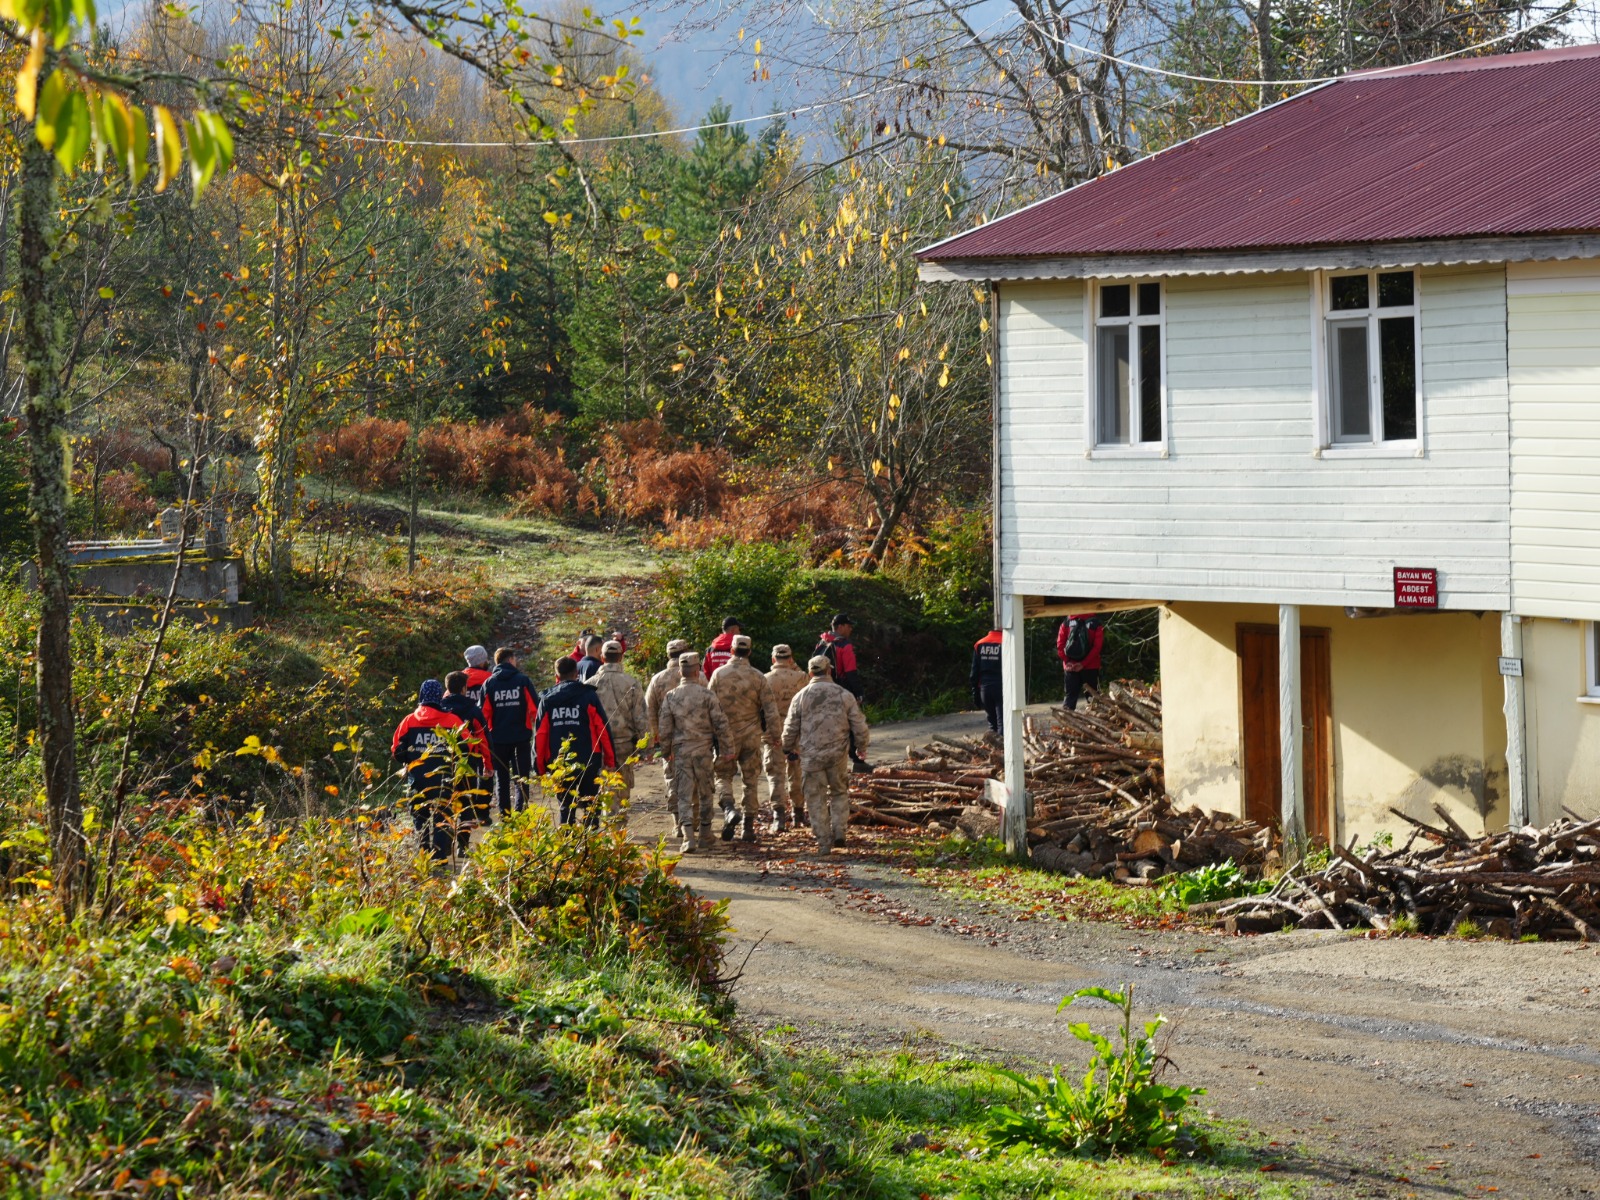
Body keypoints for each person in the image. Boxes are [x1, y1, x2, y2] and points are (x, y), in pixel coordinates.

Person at [391, 679, 489, 862]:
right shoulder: (452, 720)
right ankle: (440, 858)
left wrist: (409, 760)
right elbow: (467, 746)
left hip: (417, 780)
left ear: (421, 695)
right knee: (442, 817)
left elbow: (397, 749)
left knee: (420, 816)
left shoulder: (409, 720)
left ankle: (424, 855)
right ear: (439, 696)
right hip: (444, 779)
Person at [782, 656, 869, 855]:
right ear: (829, 671)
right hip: (837, 755)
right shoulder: (844, 694)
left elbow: (790, 727)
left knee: (815, 797)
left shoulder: (801, 696)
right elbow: (859, 724)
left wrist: (788, 748)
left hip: (811, 756)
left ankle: (823, 841)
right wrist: (861, 747)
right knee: (839, 792)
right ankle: (839, 831)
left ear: (811, 673)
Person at [656, 651, 732, 853]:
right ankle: (705, 835)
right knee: (705, 792)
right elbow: (721, 724)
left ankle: (688, 837)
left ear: (680, 671)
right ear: (698, 670)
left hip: (681, 752)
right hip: (703, 751)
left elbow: (664, 729)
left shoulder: (671, 697)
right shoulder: (707, 695)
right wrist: (727, 750)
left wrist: (666, 752)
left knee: (684, 794)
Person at [709, 633, 781, 843]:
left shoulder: (718, 675)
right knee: (750, 780)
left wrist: (710, 733)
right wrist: (775, 736)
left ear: (731, 651)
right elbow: (770, 709)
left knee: (723, 776)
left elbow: (709, 705)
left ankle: (729, 809)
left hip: (725, 737)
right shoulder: (758, 677)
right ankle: (748, 828)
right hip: (751, 735)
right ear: (749, 651)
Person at [534, 656, 617, 826]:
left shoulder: (547, 700)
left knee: (565, 805)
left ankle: (567, 842)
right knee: (591, 804)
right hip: (589, 759)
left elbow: (540, 735)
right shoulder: (588, 696)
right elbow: (602, 729)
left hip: (560, 761)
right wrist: (610, 759)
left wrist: (539, 766)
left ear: (557, 675)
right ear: (576, 673)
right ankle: (590, 843)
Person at [589, 639, 648, 811]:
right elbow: (641, 718)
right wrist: (647, 748)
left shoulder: (590, 684)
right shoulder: (631, 684)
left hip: (599, 747)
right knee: (622, 791)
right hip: (624, 745)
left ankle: (609, 827)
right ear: (621, 657)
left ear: (602, 657)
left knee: (604, 789)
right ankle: (618, 830)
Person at [483, 647, 537, 818]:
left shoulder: (489, 684)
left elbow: (484, 714)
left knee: (502, 778)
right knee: (522, 776)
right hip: (521, 737)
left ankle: (504, 815)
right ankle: (521, 812)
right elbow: (535, 708)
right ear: (511, 660)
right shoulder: (523, 681)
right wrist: (532, 725)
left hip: (498, 739)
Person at [813, 613, 870, 773]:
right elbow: (850, 671)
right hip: (842, 688)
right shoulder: (844, 645)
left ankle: (826, 762)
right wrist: (859, 693)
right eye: (848, 625)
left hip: (821, 688)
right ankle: (858, 761)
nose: (851, 628)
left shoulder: (822, 642)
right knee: (852, 723)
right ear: (840, 627)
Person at [440, 670, 492, 843]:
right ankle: (463, 843)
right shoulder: (472, 709)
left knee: (445, 801)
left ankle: (445, 842)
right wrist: (488, 763)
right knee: (466, 801)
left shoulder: (439, 708)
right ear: (464, 689)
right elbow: (483, 739)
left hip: (443, 760)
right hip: (468, 761)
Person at [646, 639, 692, 837]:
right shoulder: (698, 676)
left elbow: (649, 711)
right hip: (696, 737)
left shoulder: (657, 679)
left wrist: (655, 738)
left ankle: (677, 823)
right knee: (695, 779)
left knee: (672, 780)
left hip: (670, 739)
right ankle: (693, 821)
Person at [763, 644, 809, 830]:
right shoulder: (801, 678)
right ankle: (798, 814)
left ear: (773, 659)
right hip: (797, 733)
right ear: (791, 659)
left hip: (772, 734)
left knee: (775, 775)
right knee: (796, 774)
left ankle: (778, 817)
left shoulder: (764, 679)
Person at [1057, 613, 1105, 711]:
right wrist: (1083, 664)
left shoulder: (1066, 622)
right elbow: (1097, 648)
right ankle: (1096, 723)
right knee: (1093, 698)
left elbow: (1060, 646)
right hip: (1091, 666)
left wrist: (1068, 661)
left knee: (1070, 698)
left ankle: (1067, 723)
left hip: (1070, 667)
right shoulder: (1095, 623)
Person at [970, 629, 1004, 735]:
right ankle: (1003, 749)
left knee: (992, 724)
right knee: (1003, 723)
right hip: (1001, 687)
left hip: (985, 688)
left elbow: (974, 673)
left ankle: (994, 748)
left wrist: (975, 693)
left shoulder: (979, 644)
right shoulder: (1006, 642)